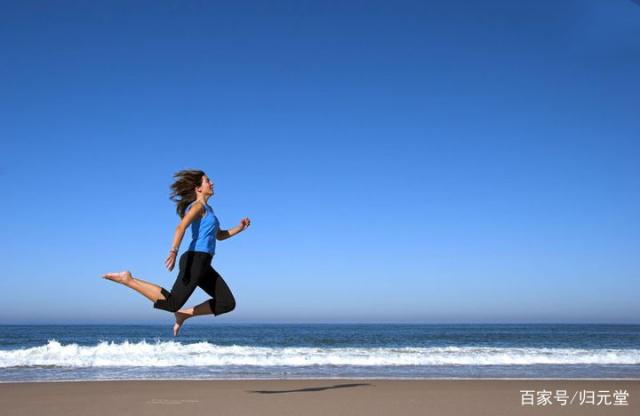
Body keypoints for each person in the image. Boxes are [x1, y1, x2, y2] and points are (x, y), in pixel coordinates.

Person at [102, 169, 250, 336]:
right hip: (195, 260)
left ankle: (183, 315)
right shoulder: (198, 207)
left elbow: (220, 236)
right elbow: (181, 226)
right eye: (208, 181)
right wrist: (173, 250)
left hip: (204, 263)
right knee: (172, 303)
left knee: (227, 303)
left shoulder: (210, 209)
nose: (212, 183)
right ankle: (128, 279)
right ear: (198, 188)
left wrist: (240, 228)